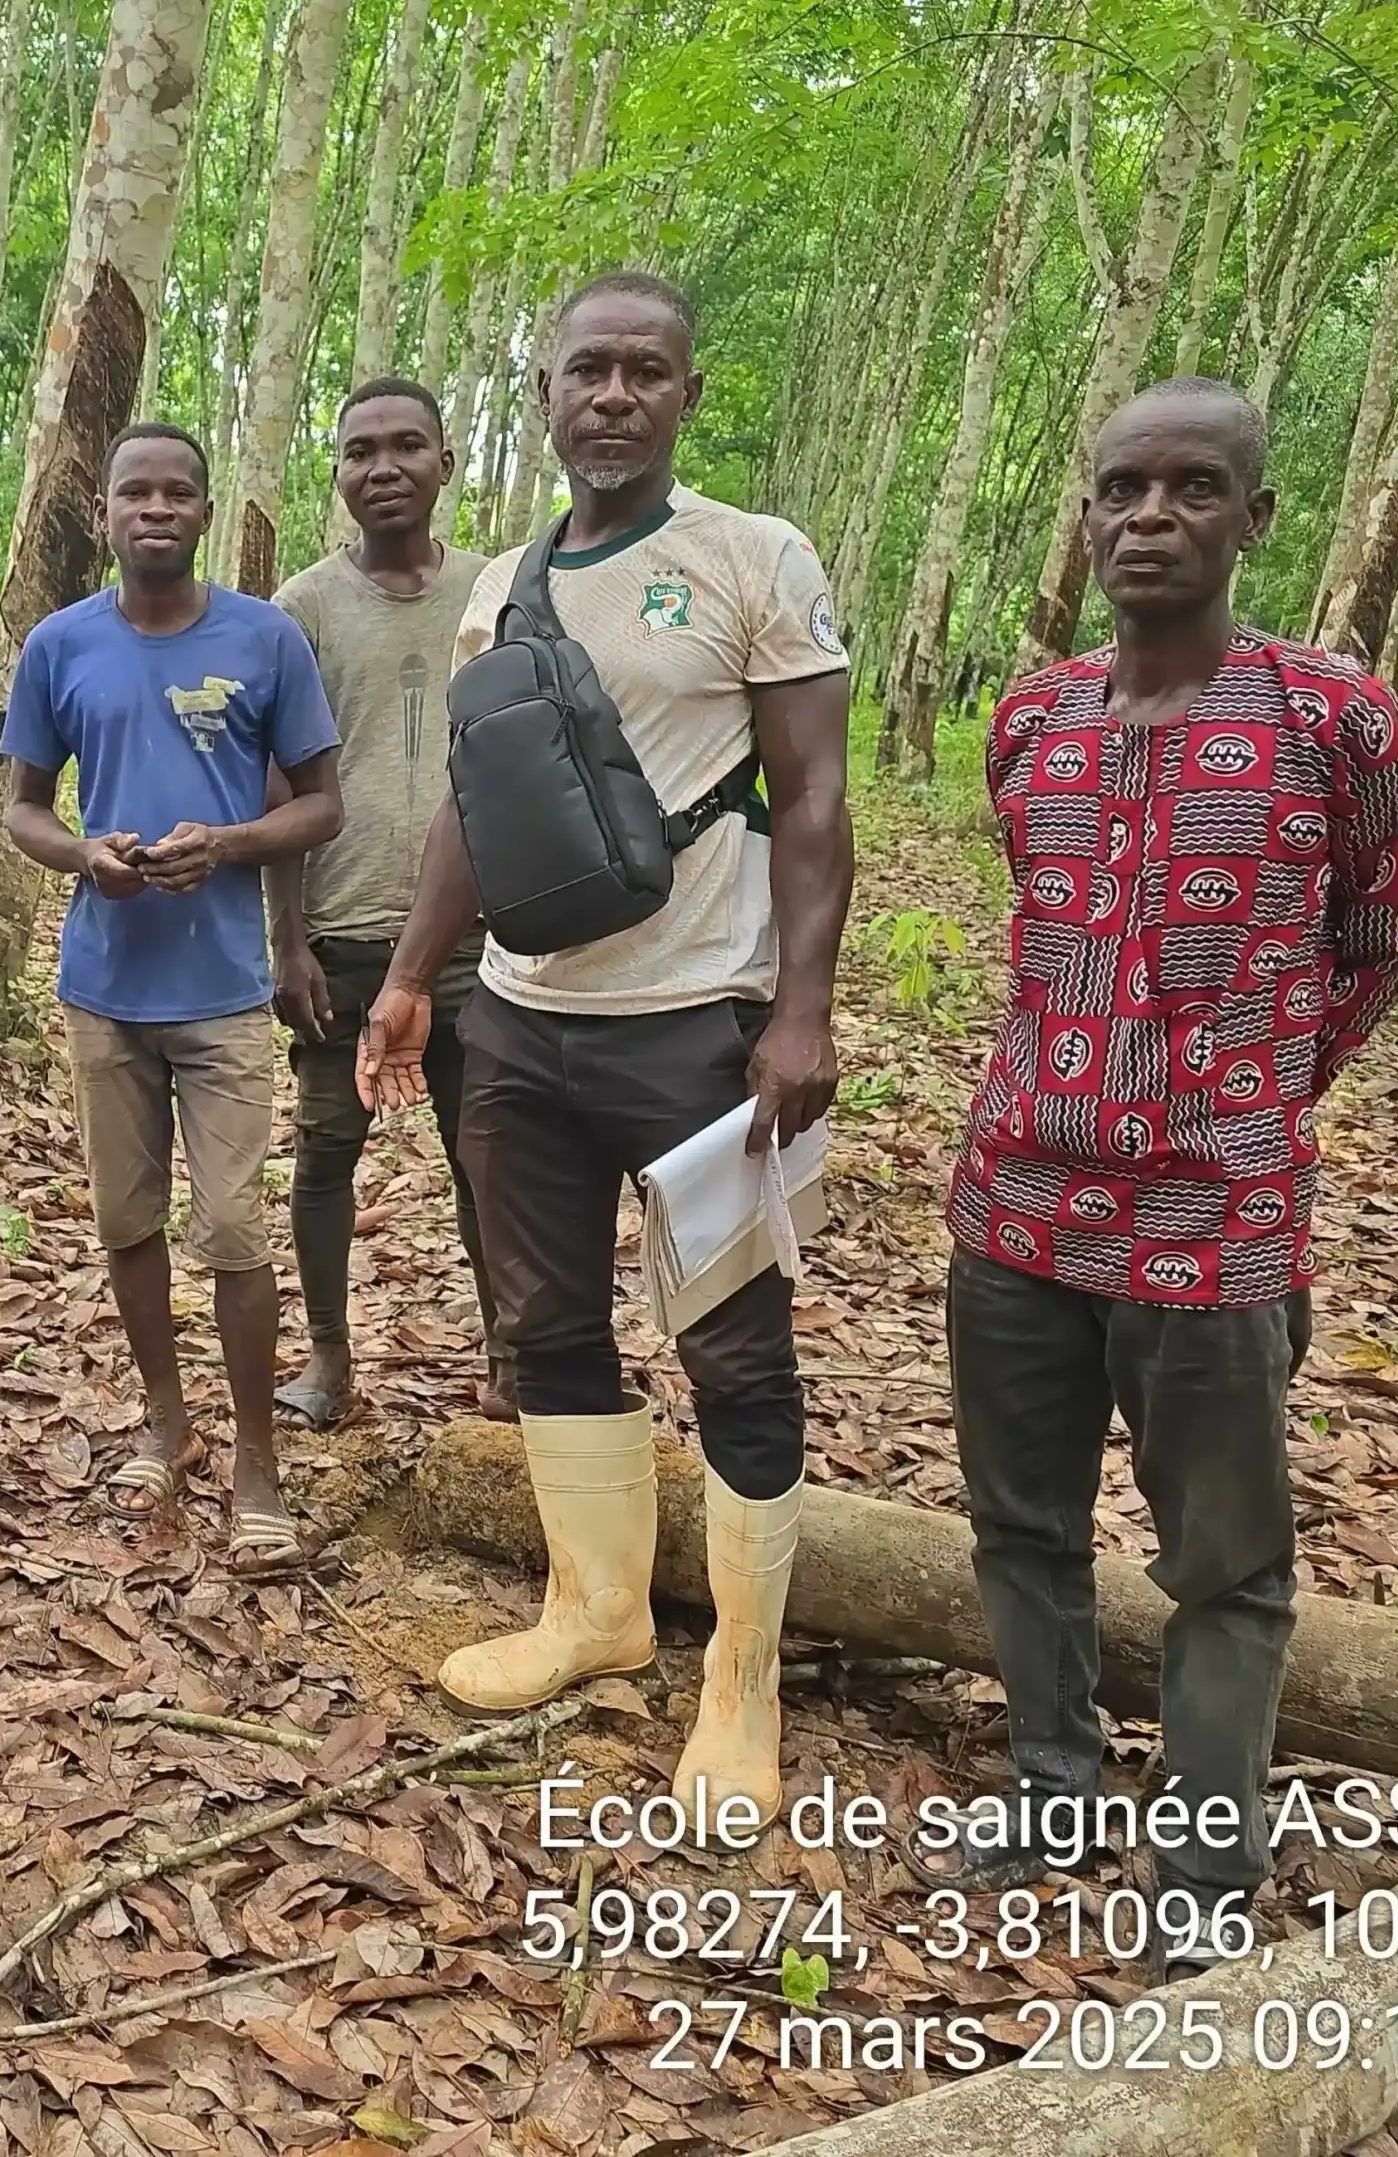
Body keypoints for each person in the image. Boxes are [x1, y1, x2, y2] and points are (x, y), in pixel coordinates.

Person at [937, 377, 1398, 1973]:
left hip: (1215, 1225)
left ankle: (1207, 1855)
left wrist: (1253, 1089)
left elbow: (1385, 936)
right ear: (1085, 516)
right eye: (1122, 490)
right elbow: (1042, 918)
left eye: (1192, 489)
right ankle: (1052, 1783)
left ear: (1254, 516)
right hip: (1015, 1200)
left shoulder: (1329, 721)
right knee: (1022, 1523)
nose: (1150, 517)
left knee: (1224, 1564)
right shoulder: (1036, 721)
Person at [360, 272, 853, 1830]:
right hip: (520, 1023)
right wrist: (415, 975)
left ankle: (744, 1679)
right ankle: (596, 1611)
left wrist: (801, 1010)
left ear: (686, 394)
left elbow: (816, 801)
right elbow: (470, 801)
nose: (615, 395)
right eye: (588, 371)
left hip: (696, 1025)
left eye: (646, 372)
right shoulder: (503, 581)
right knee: (546, 1326)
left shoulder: (751, 560)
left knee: (732, 1352)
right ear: (548, 396)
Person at [1, 423, 343, 1568]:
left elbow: (320, 804)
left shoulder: (265, 638)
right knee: (124, 1220)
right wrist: (82, 855)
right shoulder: (60, 646)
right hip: (105, 987)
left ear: (205, 511)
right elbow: (25, 808)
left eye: (177, 491)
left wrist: (234, 840)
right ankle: (166, 1418)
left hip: (223, 990)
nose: (155, 507)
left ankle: (256, 1454)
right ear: (101, 512)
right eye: (133, 491)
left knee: (236, 1227)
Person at [265, 380, 500, 1429]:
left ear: (446, 463)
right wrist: (287, 939)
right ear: (338, 472)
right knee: (324, 1152)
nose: (384, 468)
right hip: (346, 930)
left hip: (480, 938)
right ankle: (326, 1358)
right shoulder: (303, 609)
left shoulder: (496, 593)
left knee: (489, 1153)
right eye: (360, 451)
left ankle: (510, 1352)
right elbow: (278, 782)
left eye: (407, 446)